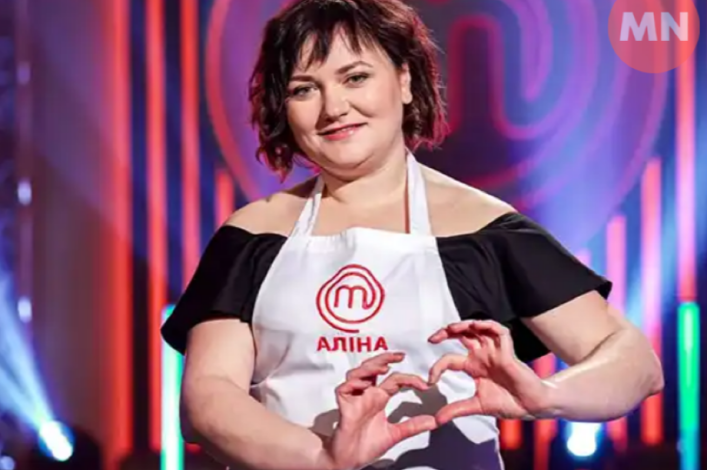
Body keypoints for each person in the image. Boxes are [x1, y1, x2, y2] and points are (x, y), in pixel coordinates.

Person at [161, 0, 664, 469]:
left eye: (355, 77)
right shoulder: (252, 235)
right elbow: (207, 397)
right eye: (303, 89)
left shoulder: (483, 230)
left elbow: (635, 363)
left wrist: (544, 396)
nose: (333, 107)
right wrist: (324, 458)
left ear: (404, 80)